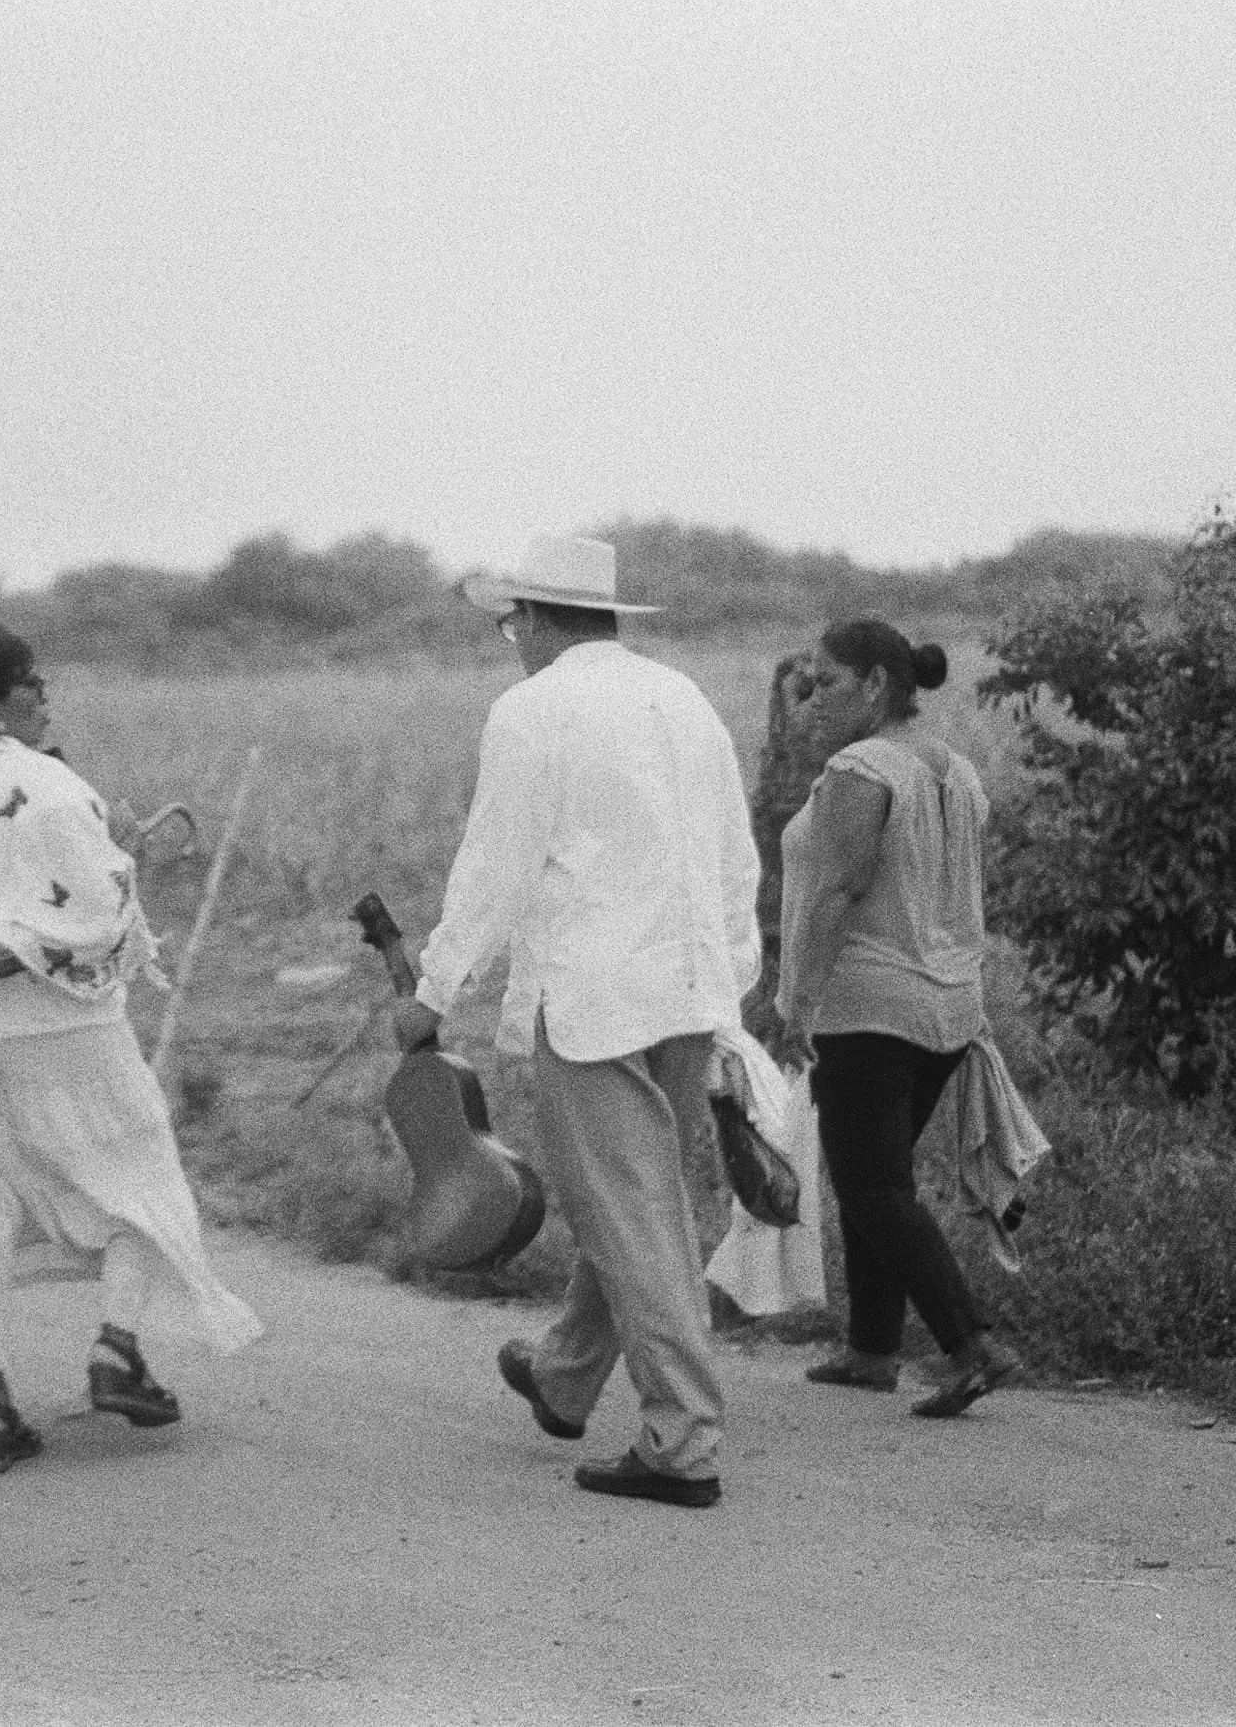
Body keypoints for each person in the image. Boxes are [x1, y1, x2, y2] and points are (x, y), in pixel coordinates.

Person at [393, 536, 760, 1508]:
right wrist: (732, 986)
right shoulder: (684, 699)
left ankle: (682, 1439)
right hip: (689, 988)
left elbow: (494, 868)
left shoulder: (531, 710)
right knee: (639, 1192)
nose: (510, 640)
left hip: (595, 997)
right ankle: (564, 1368)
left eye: (512, 621)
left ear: (538, 619)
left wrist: (433, 990)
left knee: (630, 1206)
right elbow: (737, 854)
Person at [0, 626, 263, 1475]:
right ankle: (117, 1350)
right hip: (56, 1027)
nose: (45, 694)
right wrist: (119, 857)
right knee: (141, 1180)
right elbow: (99, 921)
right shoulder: (49, 785)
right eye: (30, 683)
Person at [773, 618, 1023, 1418]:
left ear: (876, 684)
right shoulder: (955, 768)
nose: (810, 700)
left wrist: (795, 1001)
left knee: (873, 1183)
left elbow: (839, 891)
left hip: (871, 1006)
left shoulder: (863, 765)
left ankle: (971, 1341)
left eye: (826, 683)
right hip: (949, 1008)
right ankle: (871, 1349)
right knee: (872, 1174)